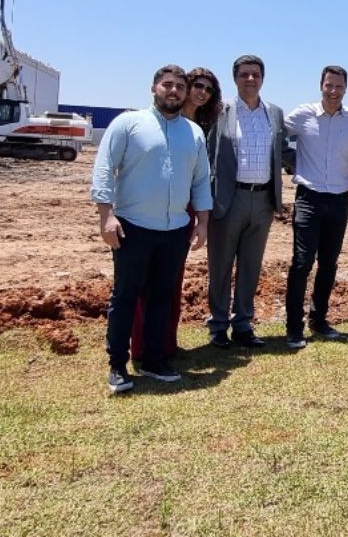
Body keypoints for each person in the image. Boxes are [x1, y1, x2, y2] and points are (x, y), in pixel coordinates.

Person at [90, 65, 212, 394]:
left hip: (175, 229)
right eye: (167, 85)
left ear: (185, 94)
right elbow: (104, 169)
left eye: (179, 87)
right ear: (154, 88)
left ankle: (155, 360)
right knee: (125, 296)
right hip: (133, 228)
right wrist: (106, 215)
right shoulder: (128, 124)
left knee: (162, 296)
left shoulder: (194, 133)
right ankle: (117, 365)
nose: (173, 91)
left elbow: (201, 180)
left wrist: (202, 221)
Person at [131, 67, 222, 360]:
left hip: (187, 205)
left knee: (172, 279)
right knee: (145, 282)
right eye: (197, 86)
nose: (202, 93)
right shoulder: (157, 121)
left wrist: (202, 219)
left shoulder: (201, 127)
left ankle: (166, 342)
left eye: (208, 89)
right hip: (151, 208)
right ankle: (141, 346)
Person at [284, 65, 348, 348]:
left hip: (338, 201)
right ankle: (294, 327)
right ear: (320, 85)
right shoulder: (302, 114)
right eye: (329, 86)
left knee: (328, 264)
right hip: (308, 198)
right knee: (302, 262)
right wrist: (288, 160)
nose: (333, 92)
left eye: (339, 87)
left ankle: (318, 320)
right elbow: (276, 133)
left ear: (346, 88)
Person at [205, 55, 285, 349]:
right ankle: (218, 326)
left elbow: (283, 152)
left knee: (251, 266)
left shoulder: (274, 113)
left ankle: (243, 325)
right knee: (221, 265)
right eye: (244, 75)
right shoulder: (220, 111)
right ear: (235, 78)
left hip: (263, 200)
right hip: (229, 198)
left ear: (263, 78)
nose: (250, 79)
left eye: (255, 74)